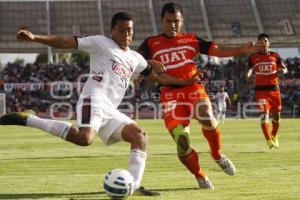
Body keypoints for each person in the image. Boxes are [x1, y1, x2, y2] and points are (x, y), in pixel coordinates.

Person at [0, 12, 198, 196]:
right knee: (84, 139)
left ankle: (135, 186)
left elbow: (157, 76)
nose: (126, 34)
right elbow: (67, 41)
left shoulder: (135, 58)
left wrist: (185, 82)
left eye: (129, 30)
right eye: (121, 29)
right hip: (93, 99)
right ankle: (30, 119)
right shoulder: (100, 42)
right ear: (112, 30)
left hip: (111, 110)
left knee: (140, 137)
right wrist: (35, 38)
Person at [137, 2, 259, 189]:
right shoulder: (150, 43)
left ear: (182, 21)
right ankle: (200, 174)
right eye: (169, 21)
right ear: (162, 21)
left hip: (193, 87)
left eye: (176, 21)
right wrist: (149, 62)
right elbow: (135, 61)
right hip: (169, 93)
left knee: (206, 116)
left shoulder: (191, 39)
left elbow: (217, 50)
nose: (173, 25)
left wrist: (241, 50)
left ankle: (217, 154)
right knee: (182, 142)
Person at [246, 33, 287, 149]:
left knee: (277, 117)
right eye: (260, 41)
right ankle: (269, 140)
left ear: (269, 43)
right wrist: (248, 76)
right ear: (258, 43)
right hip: (261, 91)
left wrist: (284, 71)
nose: (263, 43)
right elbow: (249, 70)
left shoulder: (275, 55)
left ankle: (274, 135)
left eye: (265, 41)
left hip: (274, 90)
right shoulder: (253, 57)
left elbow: (284, 68)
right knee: (264, 115)